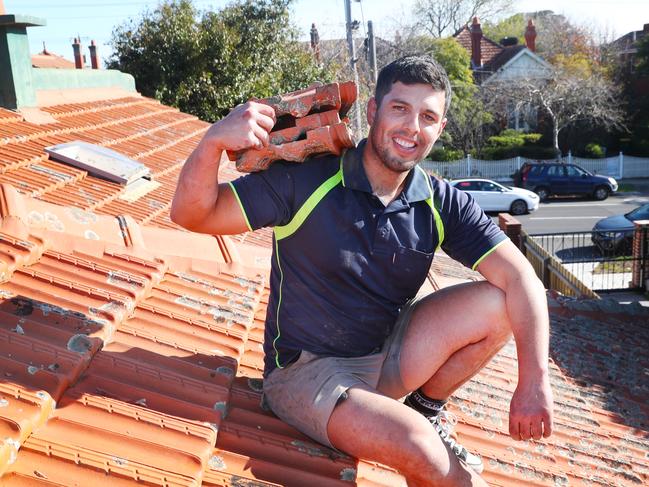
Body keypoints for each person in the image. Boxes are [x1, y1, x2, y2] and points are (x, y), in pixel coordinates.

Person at [171, 55, 553, 487]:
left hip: (385, 358)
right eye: (400, 109)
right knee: (424, 448)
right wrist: (212, 143)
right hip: (306, 373)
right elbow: (193, 215)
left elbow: (524, 279)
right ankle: (417, 428)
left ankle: (425, 408)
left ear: (439, 130)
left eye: (427, 116)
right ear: (373, 111)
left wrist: (534, 381)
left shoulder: (441, 200)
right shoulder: (308, 179)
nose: (412, 127)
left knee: (501, 300)